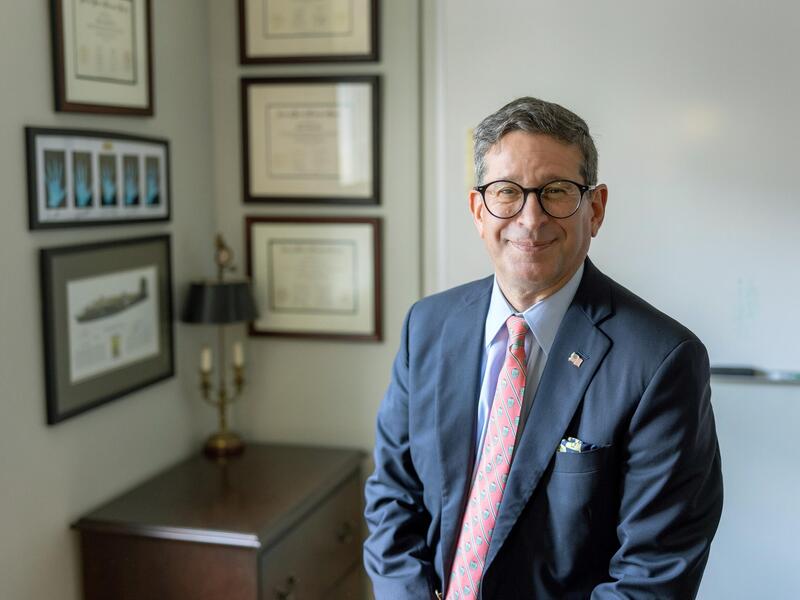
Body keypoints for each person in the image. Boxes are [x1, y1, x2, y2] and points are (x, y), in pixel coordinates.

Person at [363, 97, 723, 599]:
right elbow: (392, 498)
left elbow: (653, 573)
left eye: (555, 192)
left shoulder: (662, 361)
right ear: (477, 209)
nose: (531, 219)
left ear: (594, 209)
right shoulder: (427, 325)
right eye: (507, 192)